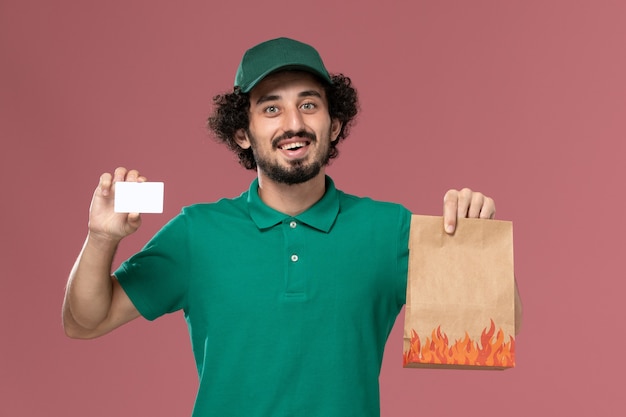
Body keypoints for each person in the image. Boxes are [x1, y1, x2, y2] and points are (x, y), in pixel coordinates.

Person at [63, 37, 521, 417]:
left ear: (334, 124)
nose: (293, 123)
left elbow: (499, 333)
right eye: (270, 109)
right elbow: (85, 322)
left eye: (308, 104)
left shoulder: (388, 229)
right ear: (242, 133)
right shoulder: (197, 233)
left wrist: (478, 247)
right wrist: (101, 239)